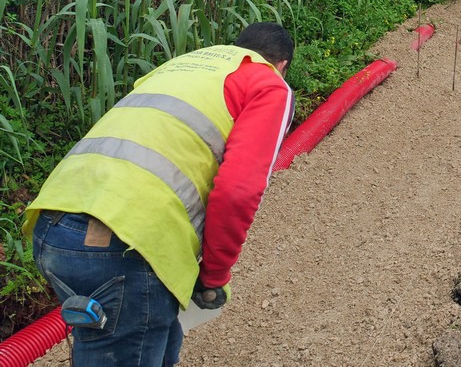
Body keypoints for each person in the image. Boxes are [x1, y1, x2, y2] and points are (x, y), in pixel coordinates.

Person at [24, 22, 296, 366]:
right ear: (282, 65)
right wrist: (213, 275)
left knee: (153, 338)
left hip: (53, 226)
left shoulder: (183, 65)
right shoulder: (269, 83)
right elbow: (237, 192)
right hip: (126, 240)